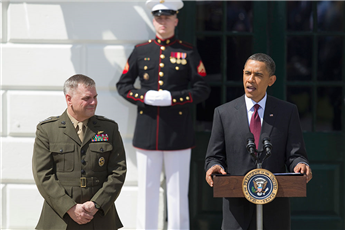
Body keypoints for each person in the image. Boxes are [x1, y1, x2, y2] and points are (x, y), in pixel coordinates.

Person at [116, 0, 210, 229]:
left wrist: (173, 98)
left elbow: (202, 88)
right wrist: (144, 97)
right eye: (159, 18)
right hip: (148, 130)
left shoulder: (187, 51)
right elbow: (123, 85)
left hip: (178, 132)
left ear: (176, 20)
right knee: (147, 190)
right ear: (153, 20)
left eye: (167, 17)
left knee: (178, 191)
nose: (163, 22)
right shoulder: (141, 51)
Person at [205, 53, 312, 230]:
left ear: (271, 80)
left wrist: (300, 164)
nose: (251, 79)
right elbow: (214, 157)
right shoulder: (224, 113)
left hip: (274, 208)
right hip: (237, 209)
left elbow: (296, 154)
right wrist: (214, 166)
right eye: (247, 73)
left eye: (258, 75)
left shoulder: (287, 112)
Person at [32, 74, 127, 230]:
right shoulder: (48, 130)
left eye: (95, 97)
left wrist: (97, 204)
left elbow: (118, 171)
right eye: (87, 98)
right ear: (69, 99)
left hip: (100, 217)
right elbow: (43, 175)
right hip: (60, 218)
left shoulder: (109, 128)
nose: (94, 102)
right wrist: (70, 208)